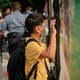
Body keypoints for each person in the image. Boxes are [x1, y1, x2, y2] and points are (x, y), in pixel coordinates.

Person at [25, 12, 56, 80]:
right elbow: (51, 54)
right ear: (38, 28)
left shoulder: (37, 42)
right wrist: (53, 33)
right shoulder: (32, 45)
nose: (45, 29)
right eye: (44, 26)